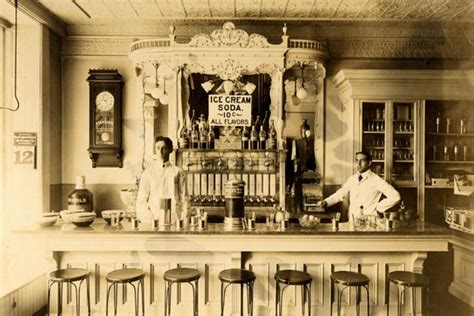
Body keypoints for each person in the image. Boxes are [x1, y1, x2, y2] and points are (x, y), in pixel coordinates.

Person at [317, 150, 400, 220]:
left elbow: (396, 196)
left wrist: (378, 208)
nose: (359, 164)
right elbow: (340, 193)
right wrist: (326, 202)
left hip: (369, 221)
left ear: (369, 163)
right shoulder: (352, 179)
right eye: (357, 160)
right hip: (353, 219)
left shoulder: (376, 180)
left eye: (362, 161)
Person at [136, 136, 188, 224]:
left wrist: (183, 220)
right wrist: (151, 220)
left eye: (164, 148)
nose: (160, 152)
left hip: (175, 220)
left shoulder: (178, 172)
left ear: (170, 150)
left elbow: (184, 199)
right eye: (158, 148)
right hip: (154, 220)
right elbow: (141, 201)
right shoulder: (148, 173)